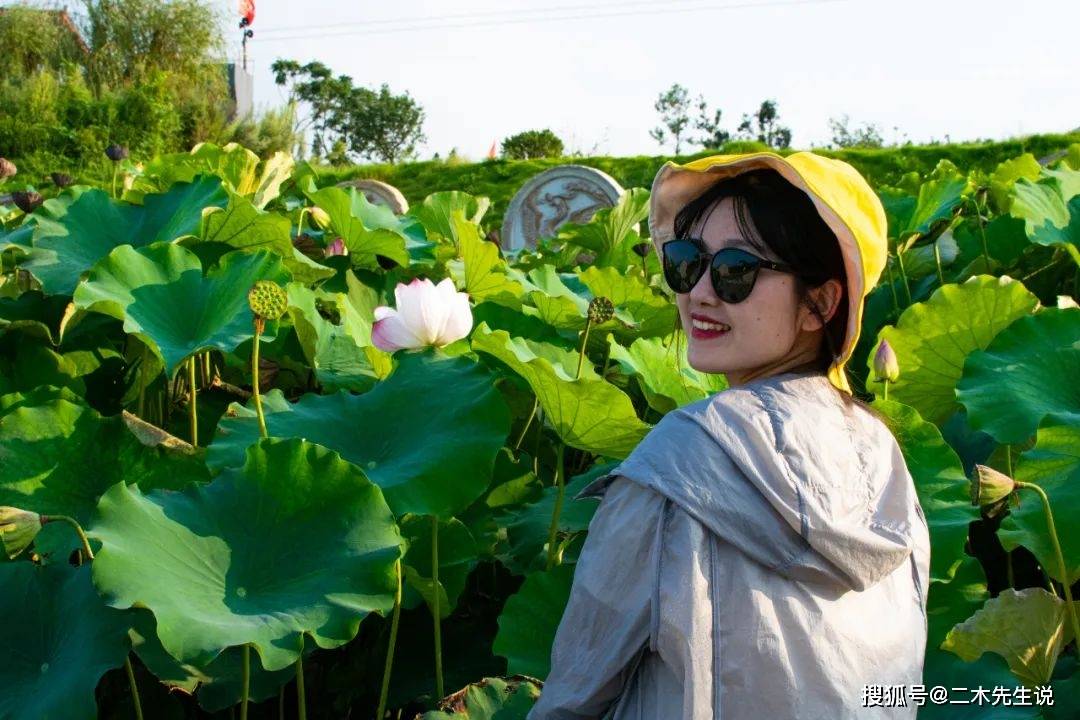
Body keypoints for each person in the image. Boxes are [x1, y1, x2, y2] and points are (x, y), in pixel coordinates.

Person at [525, 151, 931, 720]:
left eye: (736, 270)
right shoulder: (886, 459)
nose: (700, 294)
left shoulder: (677, 465)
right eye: (687, 261)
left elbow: (574, 697)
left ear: (822, 303)